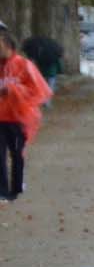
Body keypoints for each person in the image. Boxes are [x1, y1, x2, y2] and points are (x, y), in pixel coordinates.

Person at [0, 25, 53, 201]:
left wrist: (13, 90)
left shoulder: (24, 65)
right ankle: (2, 191)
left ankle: (15, 188)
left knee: (16, 154)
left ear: (8, 46)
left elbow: (39, 91)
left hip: (17, 119)